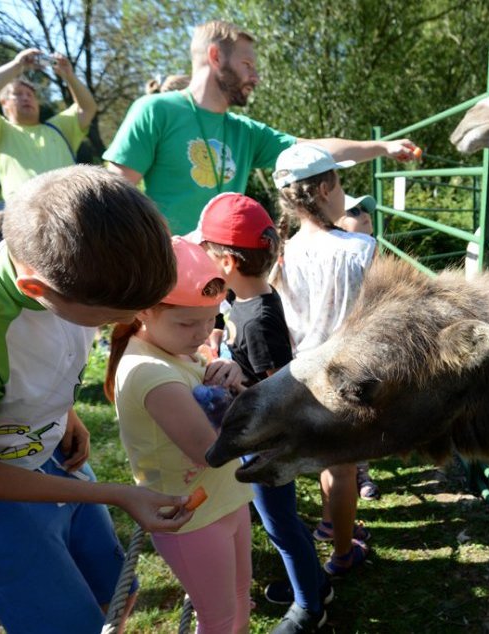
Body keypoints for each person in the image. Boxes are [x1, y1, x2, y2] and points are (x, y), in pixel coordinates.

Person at [0, 165, 194, 634]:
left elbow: (31, 365)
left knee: (115, 591)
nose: (132, 321)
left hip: (54, 455)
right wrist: (117, 494)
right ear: (37, 290)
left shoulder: (63, 259)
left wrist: (64, 410)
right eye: (109, 319)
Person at [104, 19, 419, 235]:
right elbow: (114, 194)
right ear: (215, 57)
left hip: (226, 277)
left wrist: (382, 147)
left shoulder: (245, 131)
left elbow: (312, 152)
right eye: (247, 65)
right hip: (166, 278)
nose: (255, 77)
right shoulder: (155, 111)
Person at [189, 192, 333, 633]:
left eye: (207, 252)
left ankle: (310, 607)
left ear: (228, 262)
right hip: (255, 439)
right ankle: (314, 583)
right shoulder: (243, 302)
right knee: (283, 522)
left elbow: (283, 392)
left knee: (281, 526)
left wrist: (239, 378)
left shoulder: (259, 320)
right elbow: (230, 327)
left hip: (267, 445)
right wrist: (218, 344)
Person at [106, 236, 252, 634]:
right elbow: (210, 450)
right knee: (219, 619)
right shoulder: (151, 373)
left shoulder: (174, 347)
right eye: (188, 322)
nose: (202, 332)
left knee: (241, 599)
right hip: (192, 520)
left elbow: (203, 382)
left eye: (211, 319)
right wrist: (234, 395)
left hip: (224, 499)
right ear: (145, 311)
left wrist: (228, 372)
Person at [272, 144, 376, 577]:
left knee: (326, 460)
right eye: (340, 182)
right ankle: (341, 551)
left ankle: (331, 522)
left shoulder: (281, 253)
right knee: (344, 465)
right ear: (327, 187)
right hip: (346, 372)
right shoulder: (360, 247)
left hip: (298, 372)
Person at [0, 49, 97, 202]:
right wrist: (17, 65)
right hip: (23, 216)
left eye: (30, 95)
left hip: (69, 210)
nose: (26, 98)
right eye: (18, 94)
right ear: (3, 103)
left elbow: (88, 108)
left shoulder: (60, 128)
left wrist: (69, 76)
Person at [334, 194, 381, 502]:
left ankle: (359, 469)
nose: (364, 215)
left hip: (364, 343)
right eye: (353, 211)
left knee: (362, 408)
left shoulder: (372, 252)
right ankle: (354, 472)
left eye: (366, 210)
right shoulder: (332, 254)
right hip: (336, 345)